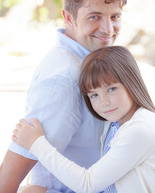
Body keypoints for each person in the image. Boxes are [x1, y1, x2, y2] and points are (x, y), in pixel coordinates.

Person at [0, 0, 127, 193]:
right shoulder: (64, 78)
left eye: (114, 16)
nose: (108, 29)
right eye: (94, 16)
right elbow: (10, 173)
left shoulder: (95, 63)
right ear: (68, 17)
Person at [13, 46, 155, 193]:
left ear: (131, 82)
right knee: (33, 191)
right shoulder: (117, 123)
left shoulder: (140, 129)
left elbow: (87, 184)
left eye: (111, 89)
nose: (104, 102)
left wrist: (36, 143)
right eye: (94, 95)